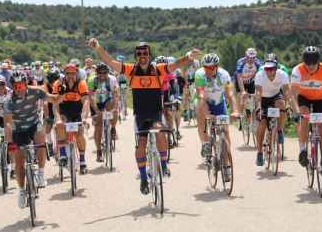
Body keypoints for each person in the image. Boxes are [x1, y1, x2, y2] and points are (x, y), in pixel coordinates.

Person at [89, 37, 201, 195]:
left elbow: (175, 65)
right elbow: (110, 61)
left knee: (160, 134)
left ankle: (162, 163)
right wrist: (98, 47)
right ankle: (143, 177)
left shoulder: (158, 69)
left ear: (149, 55)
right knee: (141, 143)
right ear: (136, 56)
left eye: (145, 53)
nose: (143, 55)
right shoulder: (131, 69)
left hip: (155, 112)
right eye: (139, 53)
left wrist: (188, 56)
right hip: (140, 114)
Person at [4, 71, 58, 208]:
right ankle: (21, 191)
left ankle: (40, 173)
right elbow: (8, 125)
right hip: (18, 130)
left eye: (21, 85)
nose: (18, 89)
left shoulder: (36, 92)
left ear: (26, 84)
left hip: (34, 125)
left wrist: (61, 95)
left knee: (41, 139)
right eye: (15, 86)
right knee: (19, 162)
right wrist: (10, 143)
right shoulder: (9, 101)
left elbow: (52, 98)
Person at [290, 46, 322, 178]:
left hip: (320, 99)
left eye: (313, 63)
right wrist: (296, 111)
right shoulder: (298, 70)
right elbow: (293, 94)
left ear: (318, 61)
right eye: (308, 63)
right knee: (304, 117)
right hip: (303, 98)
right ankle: (302, 150)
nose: (311, 66)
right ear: (303, 62)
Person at [195, 53, 239, 165]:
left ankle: (227, 163)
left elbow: (230, 94)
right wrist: (206, 114)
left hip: (219, 103)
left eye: (211, 67)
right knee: (201, 121)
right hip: (204, 101)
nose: (208, 70)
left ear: (217, 66)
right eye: (205, 67)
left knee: (226, 131)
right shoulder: (200, 75)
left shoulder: (224, 75)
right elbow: (201, 96)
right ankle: (205, 144)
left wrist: (235, 111)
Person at [52, 64, 91, 174]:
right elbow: (55, 104)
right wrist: (57, 118)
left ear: (76, 74)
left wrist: (84, 118)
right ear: (64, 74)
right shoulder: (59, 83)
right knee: (60, 126)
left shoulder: (81, 83)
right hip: (63, 108)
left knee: (79, 133)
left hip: (77, 109)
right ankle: (63, 154)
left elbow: (86, 101)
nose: (70, 76)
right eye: (68, 73)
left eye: (73, 73)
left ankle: (82, 161)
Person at [254, 57, 290, 166]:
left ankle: (279, 130)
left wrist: (288, 105)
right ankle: (259, 152)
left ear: (276, 68)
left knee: (282, 105)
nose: (269, 71)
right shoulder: (260, 75)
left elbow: (286, 91)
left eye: (271, 69)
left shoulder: (282, 74)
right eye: (267, 69)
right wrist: (259, 108)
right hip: (263, 98)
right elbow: (258, 94)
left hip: (275, 95)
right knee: (262, 124)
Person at [88, 62, 120, 161]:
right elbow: (91, 97)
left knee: (113, 109)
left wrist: (115, 108)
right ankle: (99, 151)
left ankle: (113, 127)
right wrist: (97, 111)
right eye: (100, 73)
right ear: (96, 73)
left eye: (104, 73)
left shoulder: (112, 80)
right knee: (98, 127)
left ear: (107, 73)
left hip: (107, 100)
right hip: (96, 102)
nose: (102, 75)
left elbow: (115, 95)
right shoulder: (92, 80)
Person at [235, 48, 263, 116]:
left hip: (251, 81)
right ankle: (240, 116)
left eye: (253, 58)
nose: (251, 59)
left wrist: (258, 91)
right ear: (246, 56)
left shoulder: (258, 63)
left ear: (255, 57)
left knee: (256, 98)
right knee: (241, 97)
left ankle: (255, 115)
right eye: (249, 57)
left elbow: (260, 77)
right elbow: (239, 77)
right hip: (241, 81)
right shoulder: (241, 62)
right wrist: (243, 91)